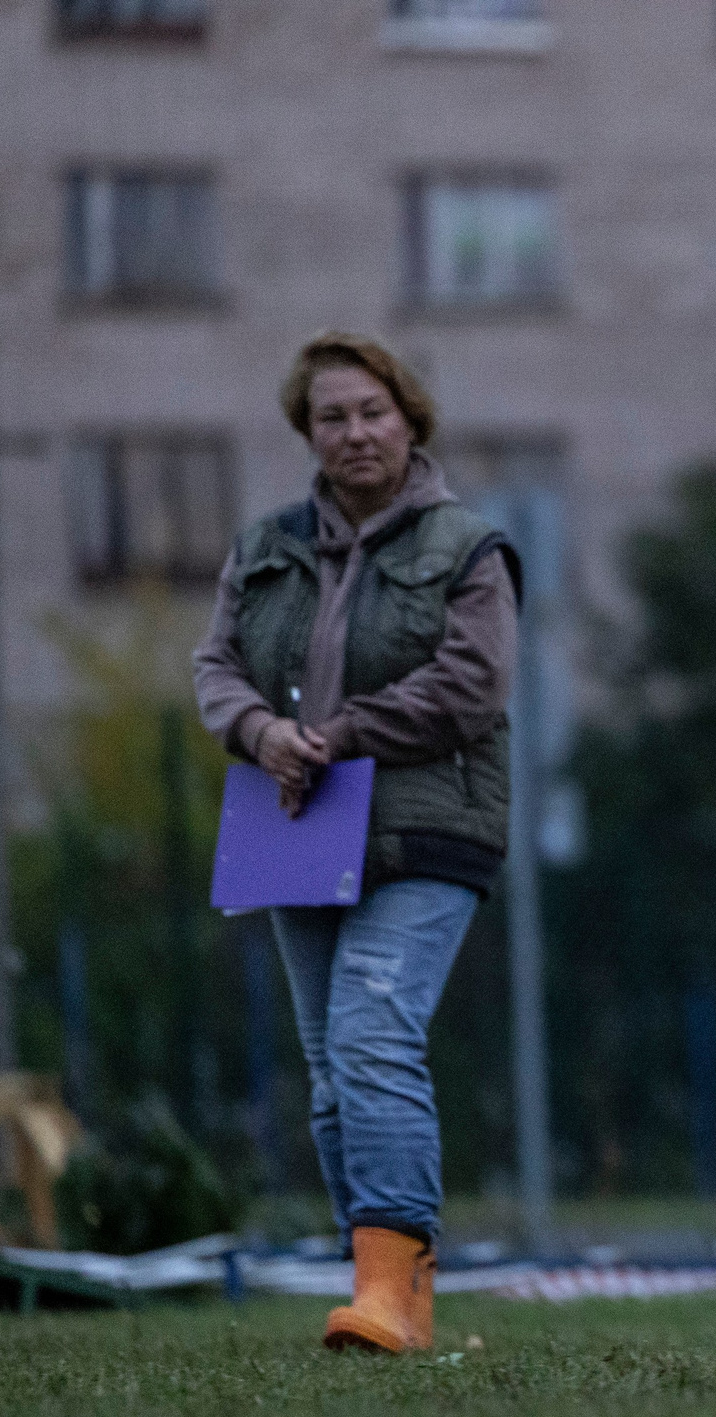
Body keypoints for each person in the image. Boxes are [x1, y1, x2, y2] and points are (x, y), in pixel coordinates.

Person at [194, 331, 519, 1353]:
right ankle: (389, 1291)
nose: (354, 433)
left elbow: (471, 687)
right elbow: (217, 668)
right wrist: (261, 732)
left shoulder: (465, 546)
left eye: (371, 412)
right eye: (330, 417)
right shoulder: (264, 547)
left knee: (372, 1035)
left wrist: (337, 735)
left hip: (429, 826)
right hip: (295, 825)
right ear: (308, 433)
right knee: (332, 1069)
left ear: (409, 419)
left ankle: (390, 1286)